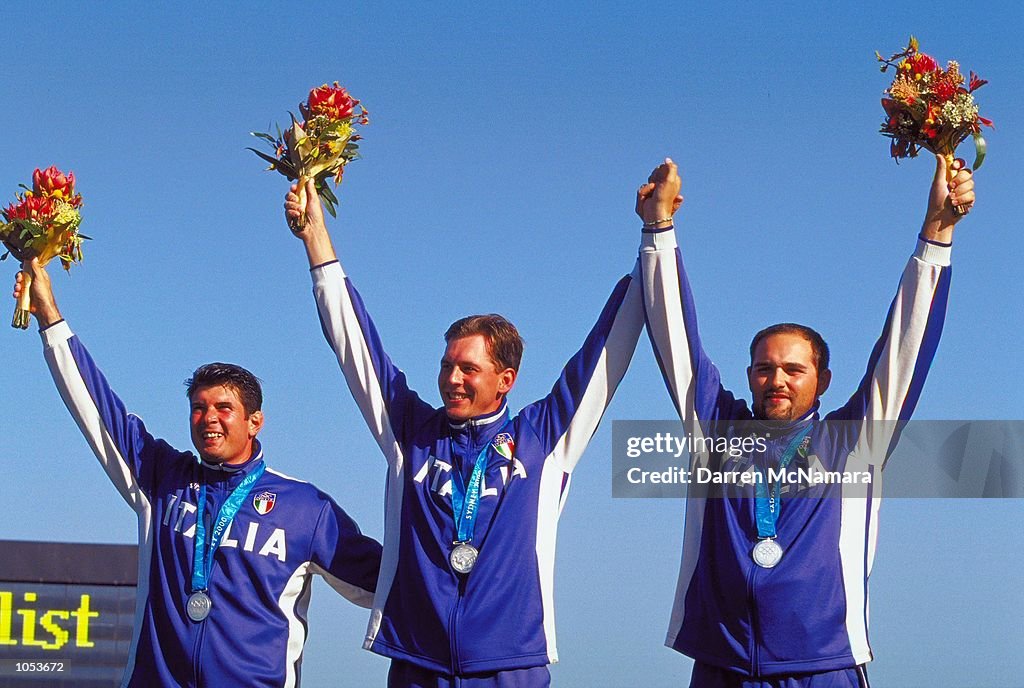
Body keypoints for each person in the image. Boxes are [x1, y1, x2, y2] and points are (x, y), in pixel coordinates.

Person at [284, 180, 646, 687]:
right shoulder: (410, 432)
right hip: (418, 663)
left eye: (469, 369)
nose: (453, 379)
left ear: (505, 379)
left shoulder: (544, 438)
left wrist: (654, 233)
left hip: (510, 666)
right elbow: (355, 347)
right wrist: (316, 238)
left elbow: (606, 353)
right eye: (447, 365)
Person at [635, 154, 975, 688]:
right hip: (722, 667)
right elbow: (677, 344)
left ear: (823, 379)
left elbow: (904, 352)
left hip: (824, 666)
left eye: (794, 370)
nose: (778, 381)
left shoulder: (853, 442)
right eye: (765, 369)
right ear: (749, 376)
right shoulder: (717, 434)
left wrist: (936, 234)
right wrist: (659, 230)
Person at [13, 259, 383, 688]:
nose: (209, 418)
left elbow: (393, 585)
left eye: (224, 408)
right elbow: (98, 411)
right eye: (198, 407)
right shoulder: (160, 479)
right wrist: (50, 320)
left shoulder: (305, 508)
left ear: (254, 421)